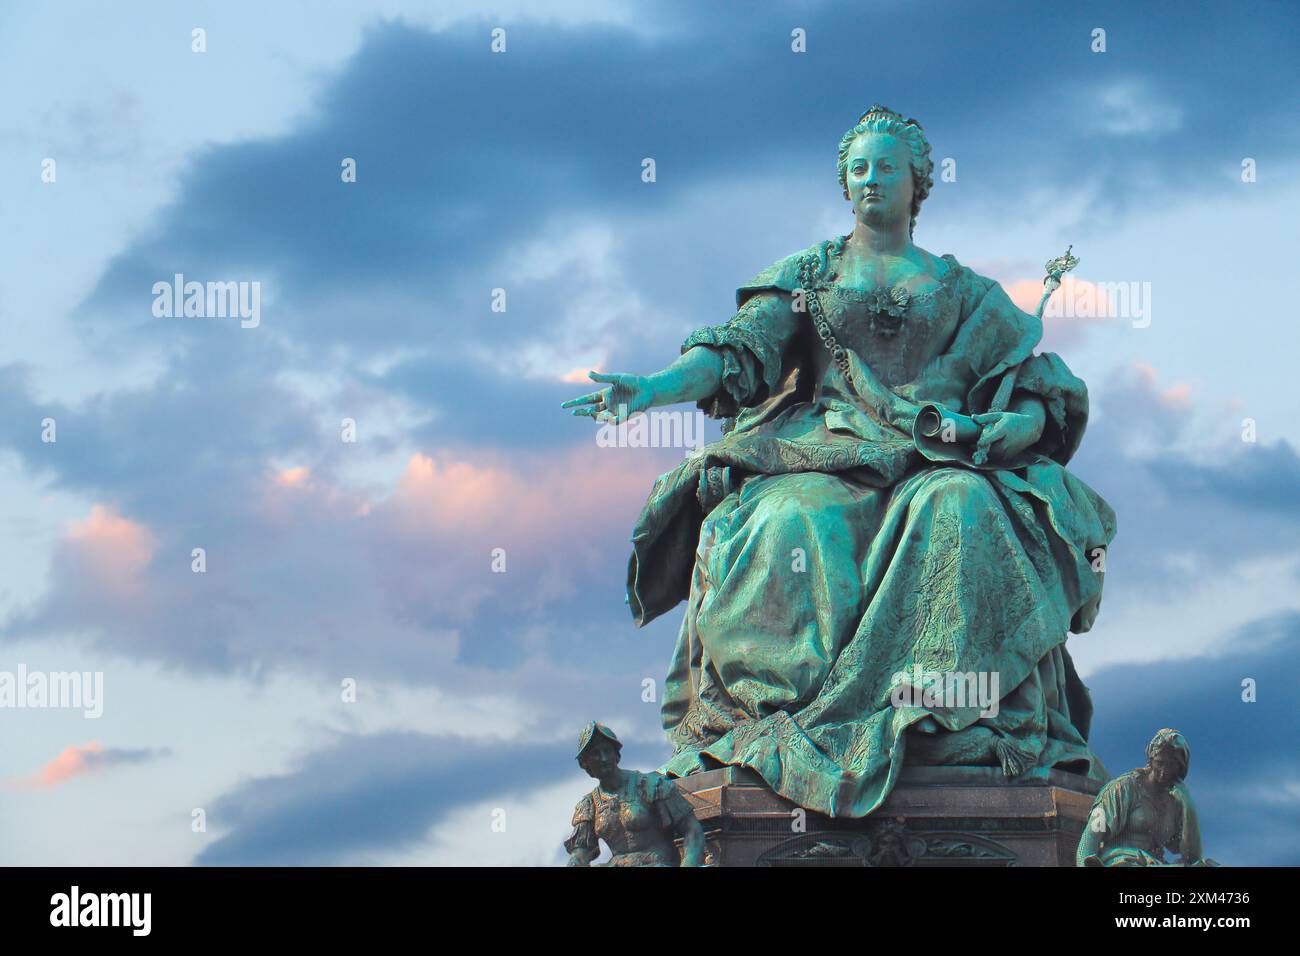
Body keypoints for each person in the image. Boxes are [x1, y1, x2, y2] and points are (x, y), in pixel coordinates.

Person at [563, 105, 1117, 818]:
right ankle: (786, 719)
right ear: (844, 184)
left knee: (964, 505)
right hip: (820, 452)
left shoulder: (967, 291)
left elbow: (1038, 387)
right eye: (858, 167)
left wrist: (1008, 426)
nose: (871, 179)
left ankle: (944, 714)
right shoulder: (809, 274)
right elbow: (738, 349)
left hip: (934, 458)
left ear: (920, 182)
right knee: (789, 521)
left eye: (887, 166)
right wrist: (655, 389)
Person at [564, 721, 706, 866]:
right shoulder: (589, 805)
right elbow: (581, 854)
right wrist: (575, 861)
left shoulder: (652, 786)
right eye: (595, 754)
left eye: (607, 750)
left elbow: (692, 831)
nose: (603, 758)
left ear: (616, 754)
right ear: (585, 763)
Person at [1077, 728, 1217, 866]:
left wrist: (1188, 806)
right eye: (1160, 763)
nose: (1163, 772)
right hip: (1122, 862)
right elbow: (1089, 839)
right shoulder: (1122, 788)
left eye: (1170, 766)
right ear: (1151, 759)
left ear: (1181, 767)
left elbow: (1192, 858)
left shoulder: (1176, 799)